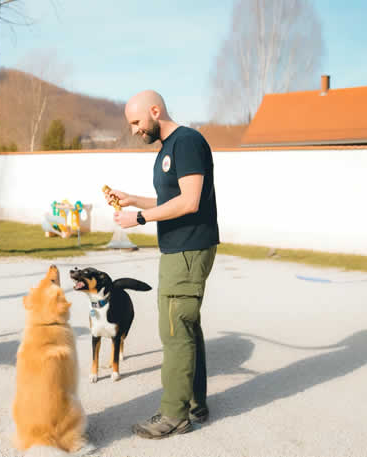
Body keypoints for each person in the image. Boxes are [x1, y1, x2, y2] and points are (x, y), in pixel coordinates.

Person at [108, 90, 219, 439]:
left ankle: (174, 415)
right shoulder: (168, 150)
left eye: (137, 122)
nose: (135, 130)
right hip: (181, 250)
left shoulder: (185, 142)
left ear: (156, 111)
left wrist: (139, 218)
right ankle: (194, 403)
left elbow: (189, 201)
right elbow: (170, 198)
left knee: (174, 332)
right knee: (186, 328)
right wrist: (134, 199)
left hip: (187, 251)